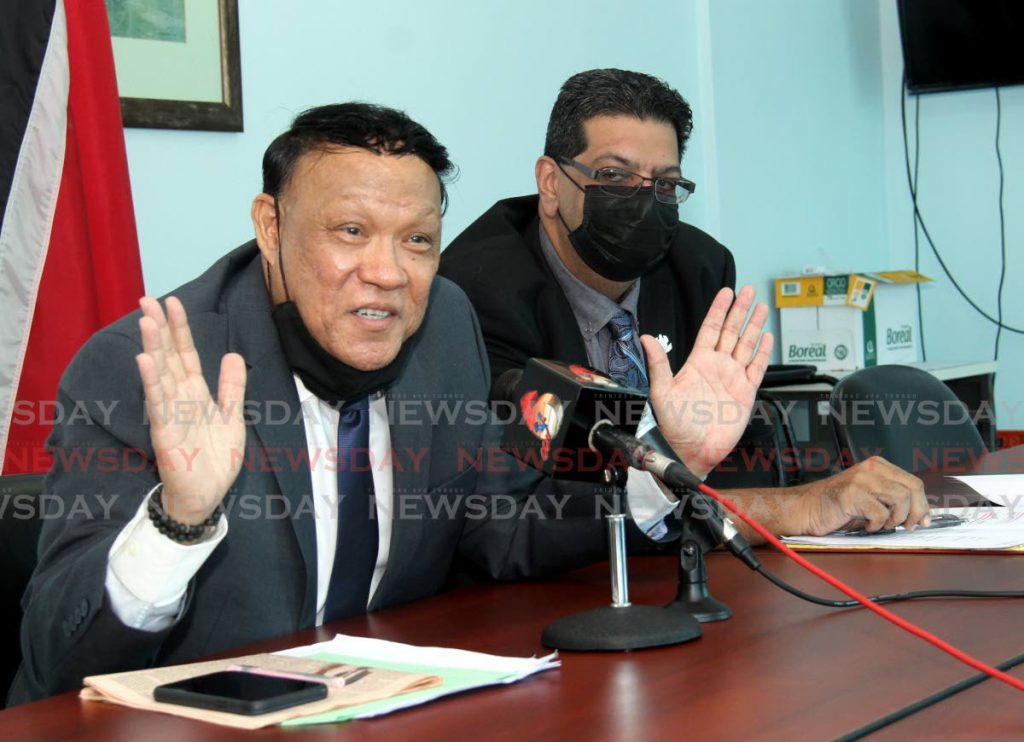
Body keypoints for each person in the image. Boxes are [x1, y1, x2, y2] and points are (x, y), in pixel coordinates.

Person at [10, 102, 772, 703]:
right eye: (350, 231)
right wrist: (179, 522)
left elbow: (500, 526)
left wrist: (664, 465)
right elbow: (57, 653)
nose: (387, 273)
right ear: (270, 228)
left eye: (417, 241)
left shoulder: (442, 323)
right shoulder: (144, 369)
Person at [440, 68, 930, 549]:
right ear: (550, 183)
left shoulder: (698, 269)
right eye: (614, 175)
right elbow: (533, 517)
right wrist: (793, 509)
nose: (642, 201)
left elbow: (727, 461)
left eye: (666, 184)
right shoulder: (473, 297)